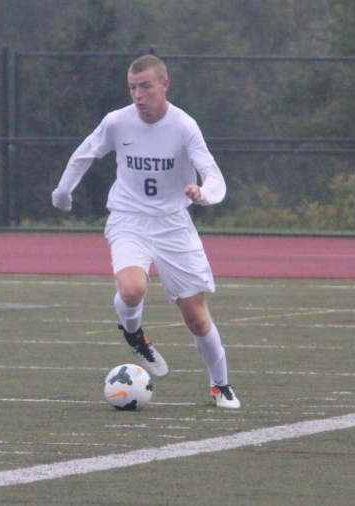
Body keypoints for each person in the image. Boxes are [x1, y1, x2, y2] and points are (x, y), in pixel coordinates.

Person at [52, 54, 240, 409]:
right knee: (132, 288)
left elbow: (213, 174)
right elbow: (83, 154)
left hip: (173, 224)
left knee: (196, 317)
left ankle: (220, 385)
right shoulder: (117, 122)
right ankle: (134, 335)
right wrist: (63, 192)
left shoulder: (184, 126)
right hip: (128, 219)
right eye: (132, 88)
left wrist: (204, 194)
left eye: (146, 87)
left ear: (164, 85)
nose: (138, 95)